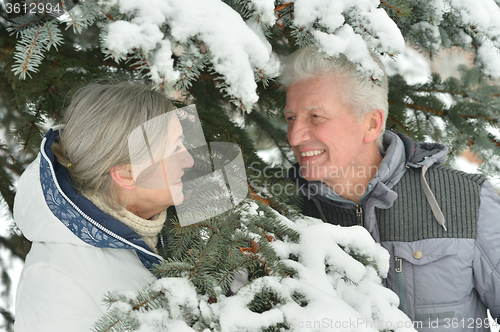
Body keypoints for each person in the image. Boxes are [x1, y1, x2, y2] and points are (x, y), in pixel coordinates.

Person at [281, 46, 500, 331]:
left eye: (316, 117)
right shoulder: (278, 208)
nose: (295, 136)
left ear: (372, 124)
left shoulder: (467, 200)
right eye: (290, 118)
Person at [13, 82, 194, 331]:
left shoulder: (175, 232)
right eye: (175, 148)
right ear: (126, 174)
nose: (190, 160)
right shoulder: (56, 278)